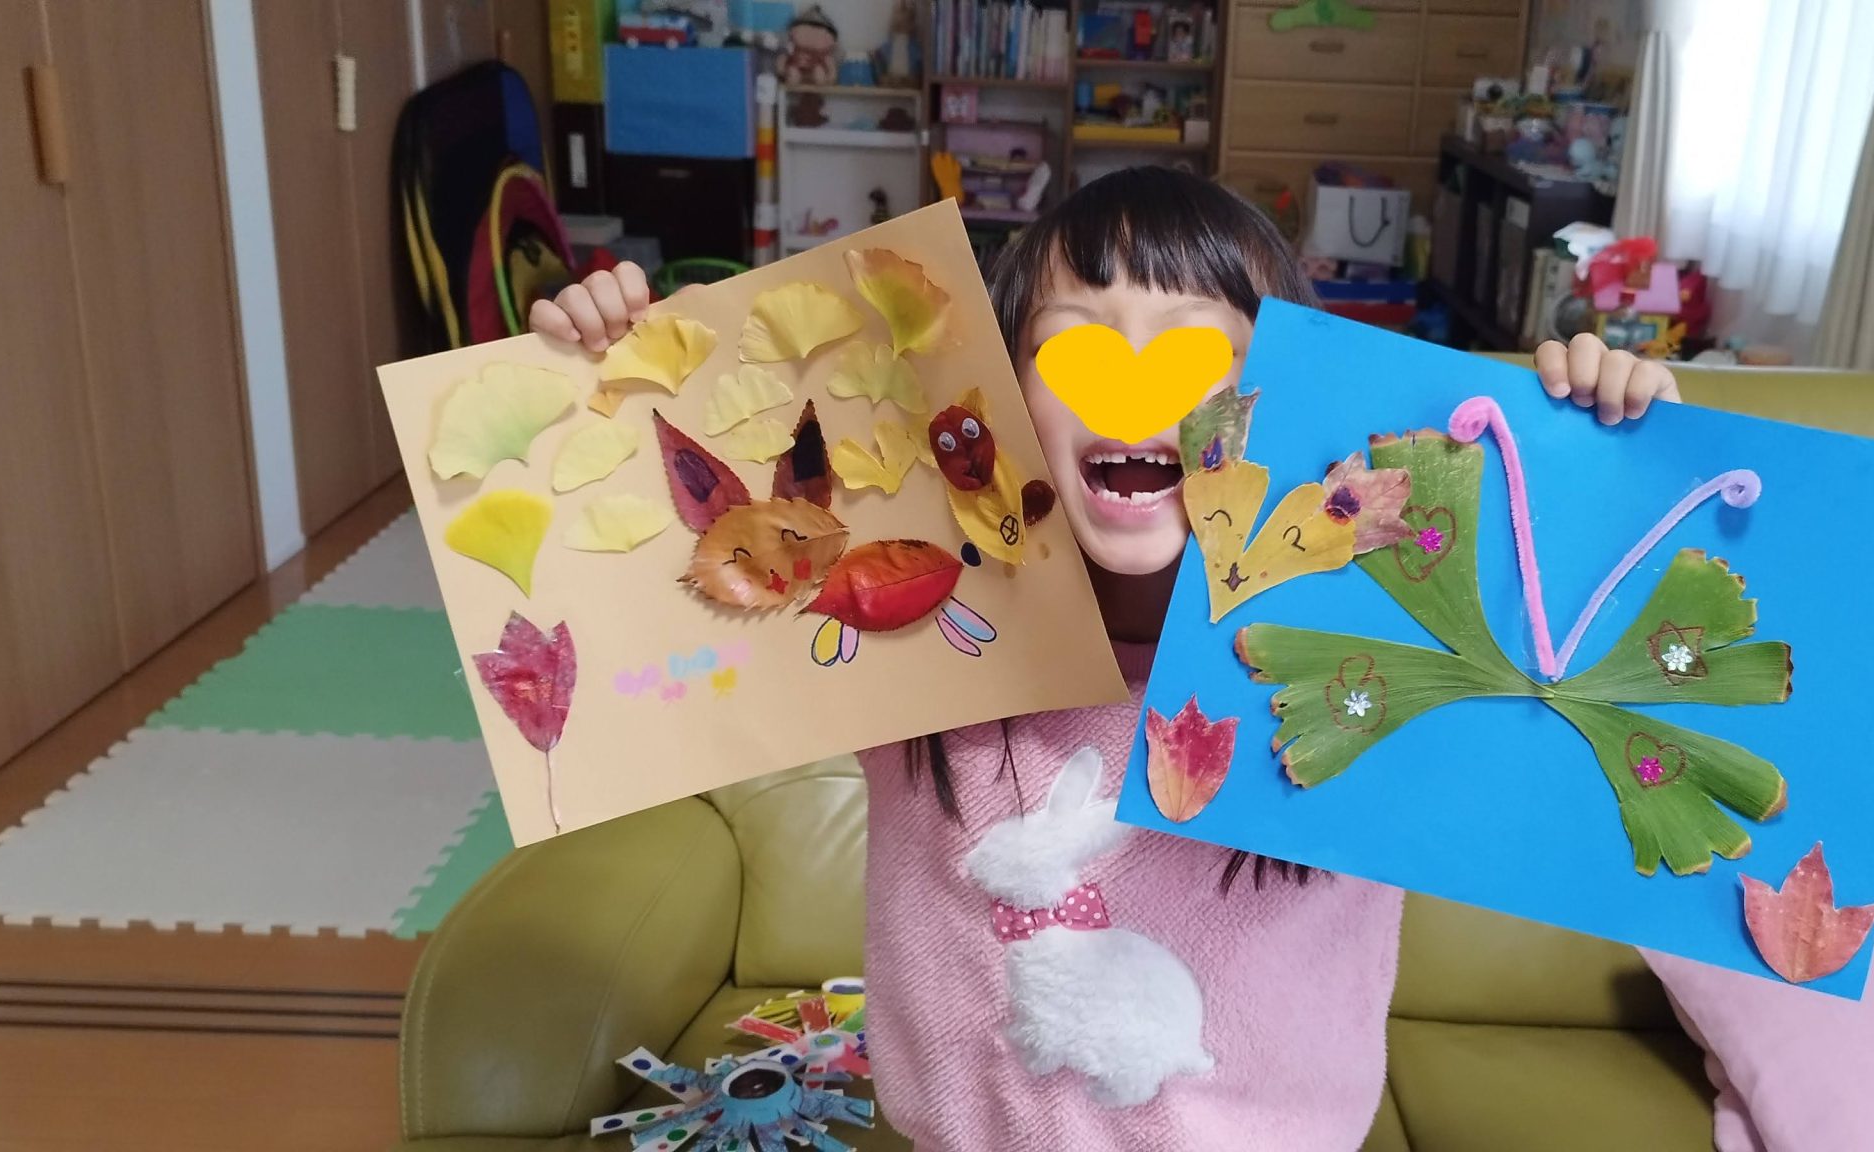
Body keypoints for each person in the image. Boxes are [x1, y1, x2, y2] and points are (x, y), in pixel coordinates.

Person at [529, 167, 1678, 1151]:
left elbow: (1579, 690)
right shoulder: (921, 636)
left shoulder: (1369, 654)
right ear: (994, 398)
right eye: (1074, 348)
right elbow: (666, 595)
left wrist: (1614, 447)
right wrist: (607, 369)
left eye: (1198, 354)